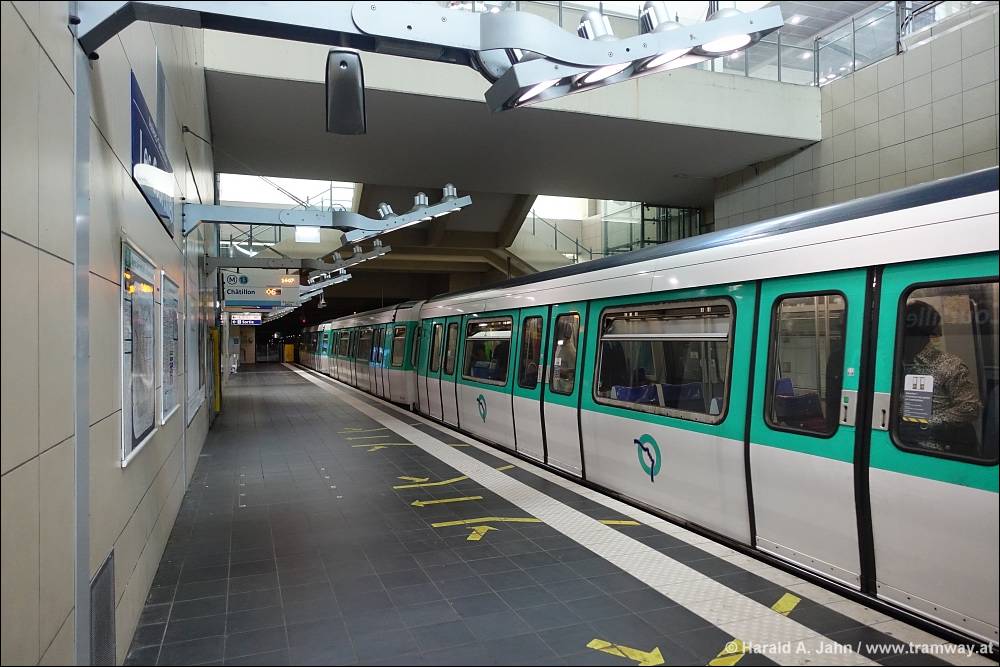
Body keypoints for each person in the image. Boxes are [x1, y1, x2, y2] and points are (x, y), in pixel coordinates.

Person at [899, 300, 981, 455]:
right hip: (897, 440)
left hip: (933, 447)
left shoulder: (949, 365)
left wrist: (928, 424)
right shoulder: (894, 364)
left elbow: (970, 407)